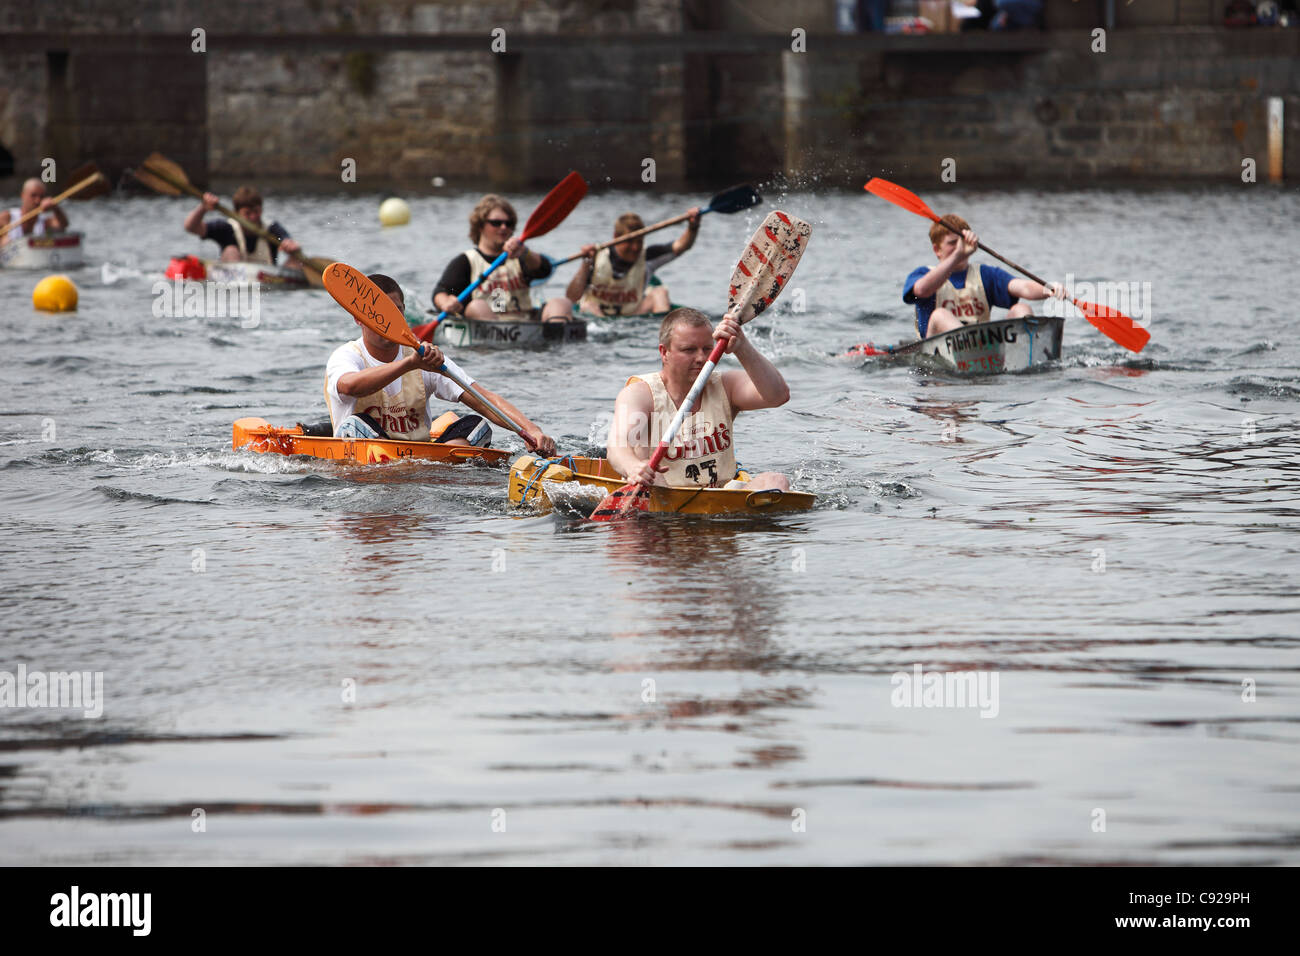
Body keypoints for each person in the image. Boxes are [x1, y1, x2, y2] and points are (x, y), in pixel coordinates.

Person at [326, 274, 557, 455]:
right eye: (377, 313)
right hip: (368, 448)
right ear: (358, 318)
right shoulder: (347, 355)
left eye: (395, 311)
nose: (387, 320)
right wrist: (409, 365)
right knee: (355, 425)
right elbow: (350, 386)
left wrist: (531, 431)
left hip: (419, 457)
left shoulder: (423, 355)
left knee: (477, 427)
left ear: (404, 313)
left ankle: (437, 470)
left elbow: (483, 399)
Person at [607, 307, 792, 493]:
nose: (701, 358)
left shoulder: (727, 386)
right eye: (689, 350)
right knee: (655, 477)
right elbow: (617, 445)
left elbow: (777, 396)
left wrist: (742, 346)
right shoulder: (640, 393)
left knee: (776, 480)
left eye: (707, 349)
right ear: (664, 353)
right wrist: (632, 467)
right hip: (662, 495)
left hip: (720, 497)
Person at [904, 214, 1064, 339]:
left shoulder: (984, 274)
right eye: (952, 243)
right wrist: (957, 255)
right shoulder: (923, 274)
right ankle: (966, 346)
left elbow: (1023, 287)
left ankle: (1027, 352)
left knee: (1021, 309)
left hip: (981, 346)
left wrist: (1048, 289)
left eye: (962, 242)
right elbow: (922, 290)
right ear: (937, 250)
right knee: (940, 315)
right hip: (939, 351)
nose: (959, 247)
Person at [432, 194, 572, 322]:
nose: (504, 227)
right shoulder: (465, 261)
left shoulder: (521, 256)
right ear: (480, 226)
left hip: (525, 321)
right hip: (487, 325)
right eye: (496, 223)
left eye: (509, 223)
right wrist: (445, 302)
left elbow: (545, 269)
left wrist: (524, 252)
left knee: (561, 304)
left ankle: (556, 341)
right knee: (476, 306)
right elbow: (440, 292)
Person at [564, 209, 701, 317]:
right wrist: (585, 263)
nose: (635, 248)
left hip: (634, 316)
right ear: (616, 237)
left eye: (639, 241)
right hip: (598, 319)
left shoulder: (647, 256)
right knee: (587, 305)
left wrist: (693, 227)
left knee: (659, 293)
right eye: (630, 241)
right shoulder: (595, 257)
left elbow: (681, 246)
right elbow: (571, 297)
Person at [183, 186, 301, 266]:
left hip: (267, 284)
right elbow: (191, 227)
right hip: (235, 284)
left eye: (256, 211)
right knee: (231, 250)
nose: (253, 217)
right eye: (247, 213)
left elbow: (286, 239)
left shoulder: (272, 228)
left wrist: (291, 245)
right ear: (236, 214)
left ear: (261, 210)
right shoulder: (226, 228)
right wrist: (203, 208)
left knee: (295, 259)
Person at [0, 178, 69, 243]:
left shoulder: (45, 222)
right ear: (22, 195)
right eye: (33, 195)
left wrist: (55, 208)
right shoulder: (6, 218)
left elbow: (63, 225)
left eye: (41, 197)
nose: (37, 201)